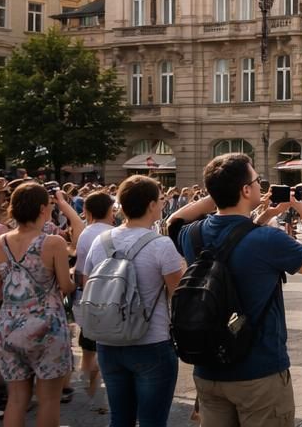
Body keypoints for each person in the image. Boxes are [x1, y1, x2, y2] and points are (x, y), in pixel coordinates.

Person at [167, 154, 302, 426]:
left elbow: (174, 220)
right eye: (257, 181)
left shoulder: (193, 234)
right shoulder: (268, 239)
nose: (261, 185)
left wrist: (224, 195)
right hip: (258, 372)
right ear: (245, 190)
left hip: (209, 370)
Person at [79, 176, 186, 427]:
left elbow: (87, 284)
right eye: (160, 200)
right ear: (151, 205)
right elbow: (178, 295)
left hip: (108, 340)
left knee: (120, 418)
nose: (162, 205)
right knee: (152, 421)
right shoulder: (161, 245)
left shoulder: (101, 241)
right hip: (151, 341)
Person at [0, 181, 75, 427]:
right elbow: (65, 285)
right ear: (41, 209)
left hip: (8, 325)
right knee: (49, 399)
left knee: (16, 399)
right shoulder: (52, 243)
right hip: (46, 325)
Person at [73, 189, 118, 413]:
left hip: (85, 296)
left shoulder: (85, 232)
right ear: (111, 210)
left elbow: (81, 271)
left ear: (87, 211)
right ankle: (96, 389)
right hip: (108, 298)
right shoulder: (113, 233)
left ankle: (86, 385)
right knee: (104, 347)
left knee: (88, 343)